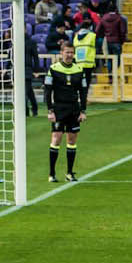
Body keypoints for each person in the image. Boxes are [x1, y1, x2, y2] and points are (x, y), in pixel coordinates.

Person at [45, 39, 90, 181]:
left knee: (71, 140)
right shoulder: (53, 69)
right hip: (59, 108)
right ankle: (52, 174)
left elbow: (83, 92)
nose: (69, 55)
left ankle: (69, 173)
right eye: (67, 52)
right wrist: (50, 110)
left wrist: (83, 111)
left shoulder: (79, 70)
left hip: (73, 109)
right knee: (56, 139)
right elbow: (48, 91)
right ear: (61, 53)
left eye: (72, 52)